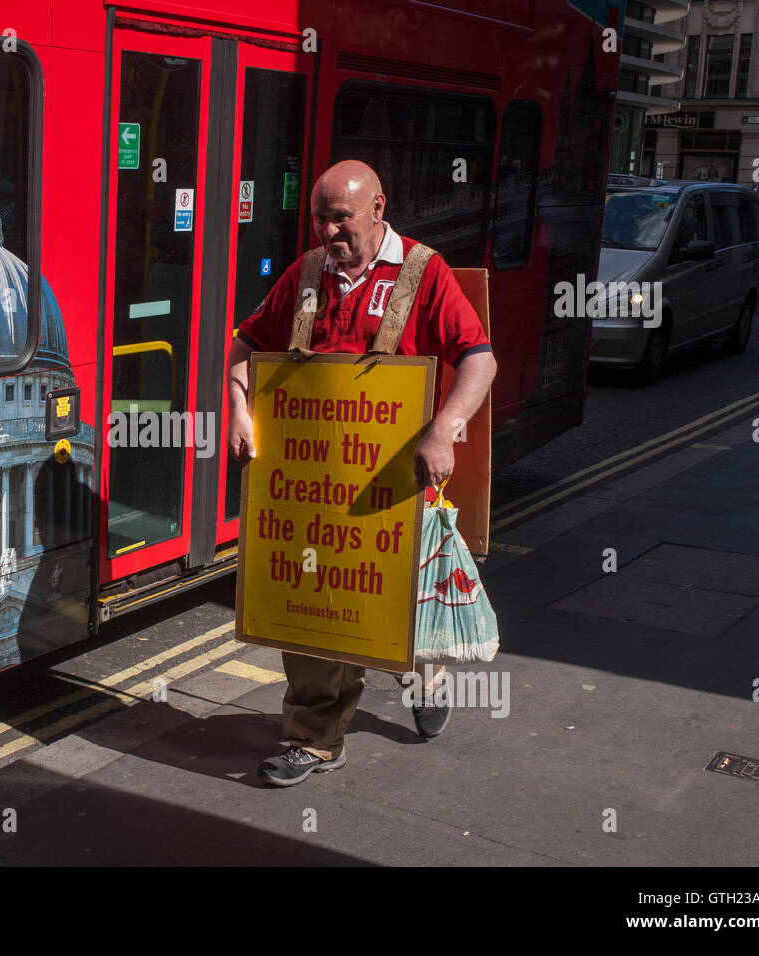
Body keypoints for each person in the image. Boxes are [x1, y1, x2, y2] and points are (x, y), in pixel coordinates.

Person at [227, 159, 497, 787]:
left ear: (379, 208)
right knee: (314, 606)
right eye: (319, 219)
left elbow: (478, 360)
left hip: (398, 482)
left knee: (405, 613)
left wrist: (443, 429)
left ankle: (427, 671)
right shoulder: (305, 273)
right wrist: (238, 406)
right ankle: (314, 739)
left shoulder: (425, 273)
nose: (327, 231)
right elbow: (247, 341)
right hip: (317, 487)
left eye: (340, 218)